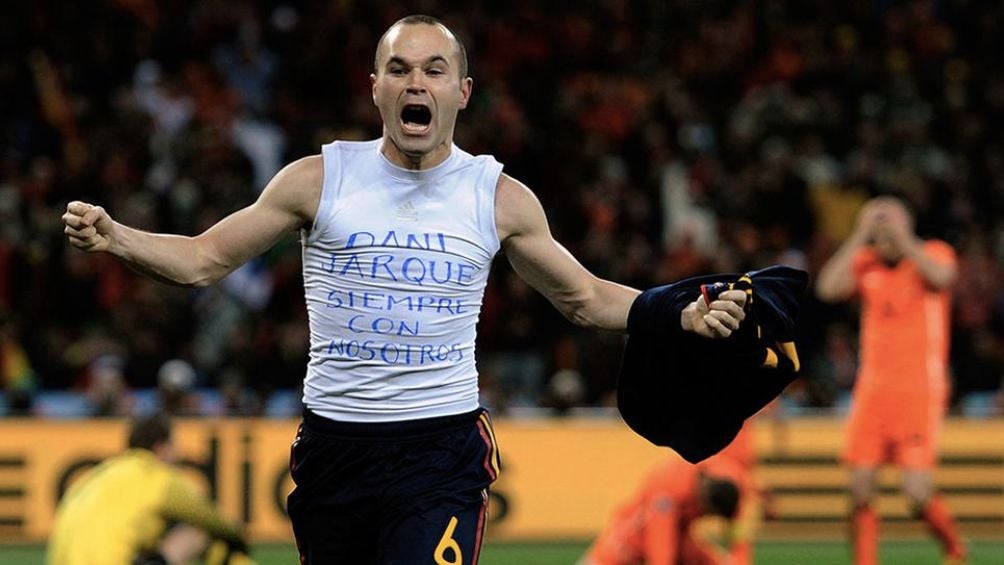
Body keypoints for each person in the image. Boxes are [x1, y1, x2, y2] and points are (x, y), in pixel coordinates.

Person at [62, 15, 749, 563]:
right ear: (376, 88)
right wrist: (116, 236)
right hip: (335, 452)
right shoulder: (317, 179)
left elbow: (585, 297)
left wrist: (676, 314)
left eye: (433, 69)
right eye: (399, 69)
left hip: (439, 453)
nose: (415, 82)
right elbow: (203, 260)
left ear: (461, 92)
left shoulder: (498, 198)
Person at [816, 196, 965, 565]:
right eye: (878, 227)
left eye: (890, 225)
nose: (885, 234)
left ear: (906, 226)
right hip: (872, 393)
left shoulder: (933, 254)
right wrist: (859, 234)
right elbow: (827, 289)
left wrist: (905, 238)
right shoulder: (867, 263)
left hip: (918, 392)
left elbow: (943, 277)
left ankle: (954, 549)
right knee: (860, 489)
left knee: (916, 493)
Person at [47, 412, 252, 565]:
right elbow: (211, 518)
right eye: (174, 446)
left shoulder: (93, 477)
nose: (178, 454)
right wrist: (237, 536)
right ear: (161, 447)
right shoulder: (157, 477)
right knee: (195, 534)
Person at [579, 456, 746, 565]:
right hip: (637, 532)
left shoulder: (732, 482)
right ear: (705, 499)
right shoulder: (669, 487)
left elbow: (738, 531)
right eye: (707, 512)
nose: (705, 516)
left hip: (681, 534)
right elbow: (661, 543)